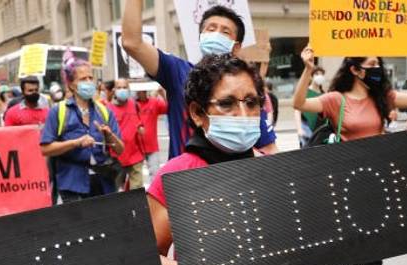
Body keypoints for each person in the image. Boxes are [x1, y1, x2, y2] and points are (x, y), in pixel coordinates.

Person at [147, 53, 320, 265]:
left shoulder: (274, 171)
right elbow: (143, 257)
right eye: (226, 104)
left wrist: (308, 261)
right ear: (198, 113)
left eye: (252, 102)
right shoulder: (175, 176)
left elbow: (291, 244)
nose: (242, 115)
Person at [292, 45, 407, 265]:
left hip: (377, 181)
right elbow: (299, 104)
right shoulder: (336, 100)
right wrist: (308, 70)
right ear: (355, 70)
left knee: (376, 244)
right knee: (350, 247)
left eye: (377, 64)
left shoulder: (382, 98)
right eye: (370, 65)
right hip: (344, 183)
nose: (376, 69)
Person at [121, 0, 279, 158]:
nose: (216, 34)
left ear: (236, 47)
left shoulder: (247, 91)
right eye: (211, 29)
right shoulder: (177, 71)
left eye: (225, 32)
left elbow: (270, 151)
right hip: (185, 179)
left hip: (234, 179)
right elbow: (132, 43)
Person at [40, 56, 125, 203]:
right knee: (80, 225)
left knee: (104, 224)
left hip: (103, 182)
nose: (88, 82)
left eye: (90, 78)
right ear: (71, 85)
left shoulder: (104, 111)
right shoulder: (58, 111)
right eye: (82, 79)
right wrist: (76, 143)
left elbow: (120, 149)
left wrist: (109, 135)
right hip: (72, 183)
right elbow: (45, 149)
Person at [106, 79, 146, 189]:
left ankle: (136, 206)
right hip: (117, 158)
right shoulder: (108, 109)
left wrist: (140, 128)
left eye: (124, 87)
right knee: (117, 191)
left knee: (137, 191)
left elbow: (139, 123)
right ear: (114, 90)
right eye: (119, 87)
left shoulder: (134, 104)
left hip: (135, 155)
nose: (122, 90)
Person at [136, 87, 168, 179]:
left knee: (155, 175)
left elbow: (167, 108)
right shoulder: (132, 104)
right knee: (135, 177)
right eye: (138, 90)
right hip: (137, 148)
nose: (140, 92)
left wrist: (162, 94)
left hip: (152, 146)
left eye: (142, 90)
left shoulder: (154, 102)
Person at [298, 66, 327, 147]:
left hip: (319, 129)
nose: (320, 76)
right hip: (306, 128)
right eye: (317, 74)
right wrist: (299, 128)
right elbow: (297, 111)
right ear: (311, 76)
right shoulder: (305, 92)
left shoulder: (324, 94)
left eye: (322, 74)